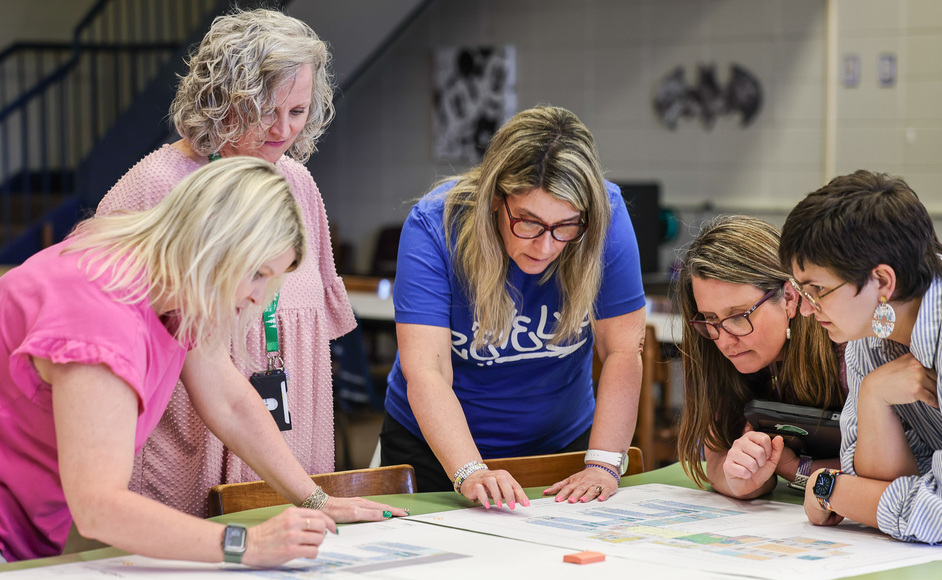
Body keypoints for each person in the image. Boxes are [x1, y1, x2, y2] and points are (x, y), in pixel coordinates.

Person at [0, 158, 406, 565]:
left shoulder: (171, 283)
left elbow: (229, 401)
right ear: (213, 244)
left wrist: (317, 499)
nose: (258, 297)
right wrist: (248, 545)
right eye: (257, 273)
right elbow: (99, 507)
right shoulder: (101, 316)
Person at [96, 9, 354, 518]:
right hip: (186, 441)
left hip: (287, 436)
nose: (283, 129)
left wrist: (311, 492)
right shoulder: (159, 184)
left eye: (297, 111)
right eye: (265, 110)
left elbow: (309, 326)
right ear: (222, 97)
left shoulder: (299, 184)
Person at [380, 106, 646, 508]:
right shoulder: (435, 226)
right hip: (436, 448)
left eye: (566, 226)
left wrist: (604, 464)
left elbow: (623, 350)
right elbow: (427, 371)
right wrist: (470, 470)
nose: (546, 246)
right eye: (528, 222)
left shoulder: (605, 216)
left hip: (561, 443)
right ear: (494, 199)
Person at [779, 169, 942, 544]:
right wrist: (873, 395)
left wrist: (827, 487)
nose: (807, 309)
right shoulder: (874, 326)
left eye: (818, 290)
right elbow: (877, 484)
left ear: (882, 281)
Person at [676, 215, 847, 499]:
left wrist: (797, 469)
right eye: (710, 318)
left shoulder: (846, 345)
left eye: (738, 316)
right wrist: (739, 480)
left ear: (790, 298)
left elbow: (894, 467)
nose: (724, 340)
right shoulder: (711, 346)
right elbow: (716, 457)